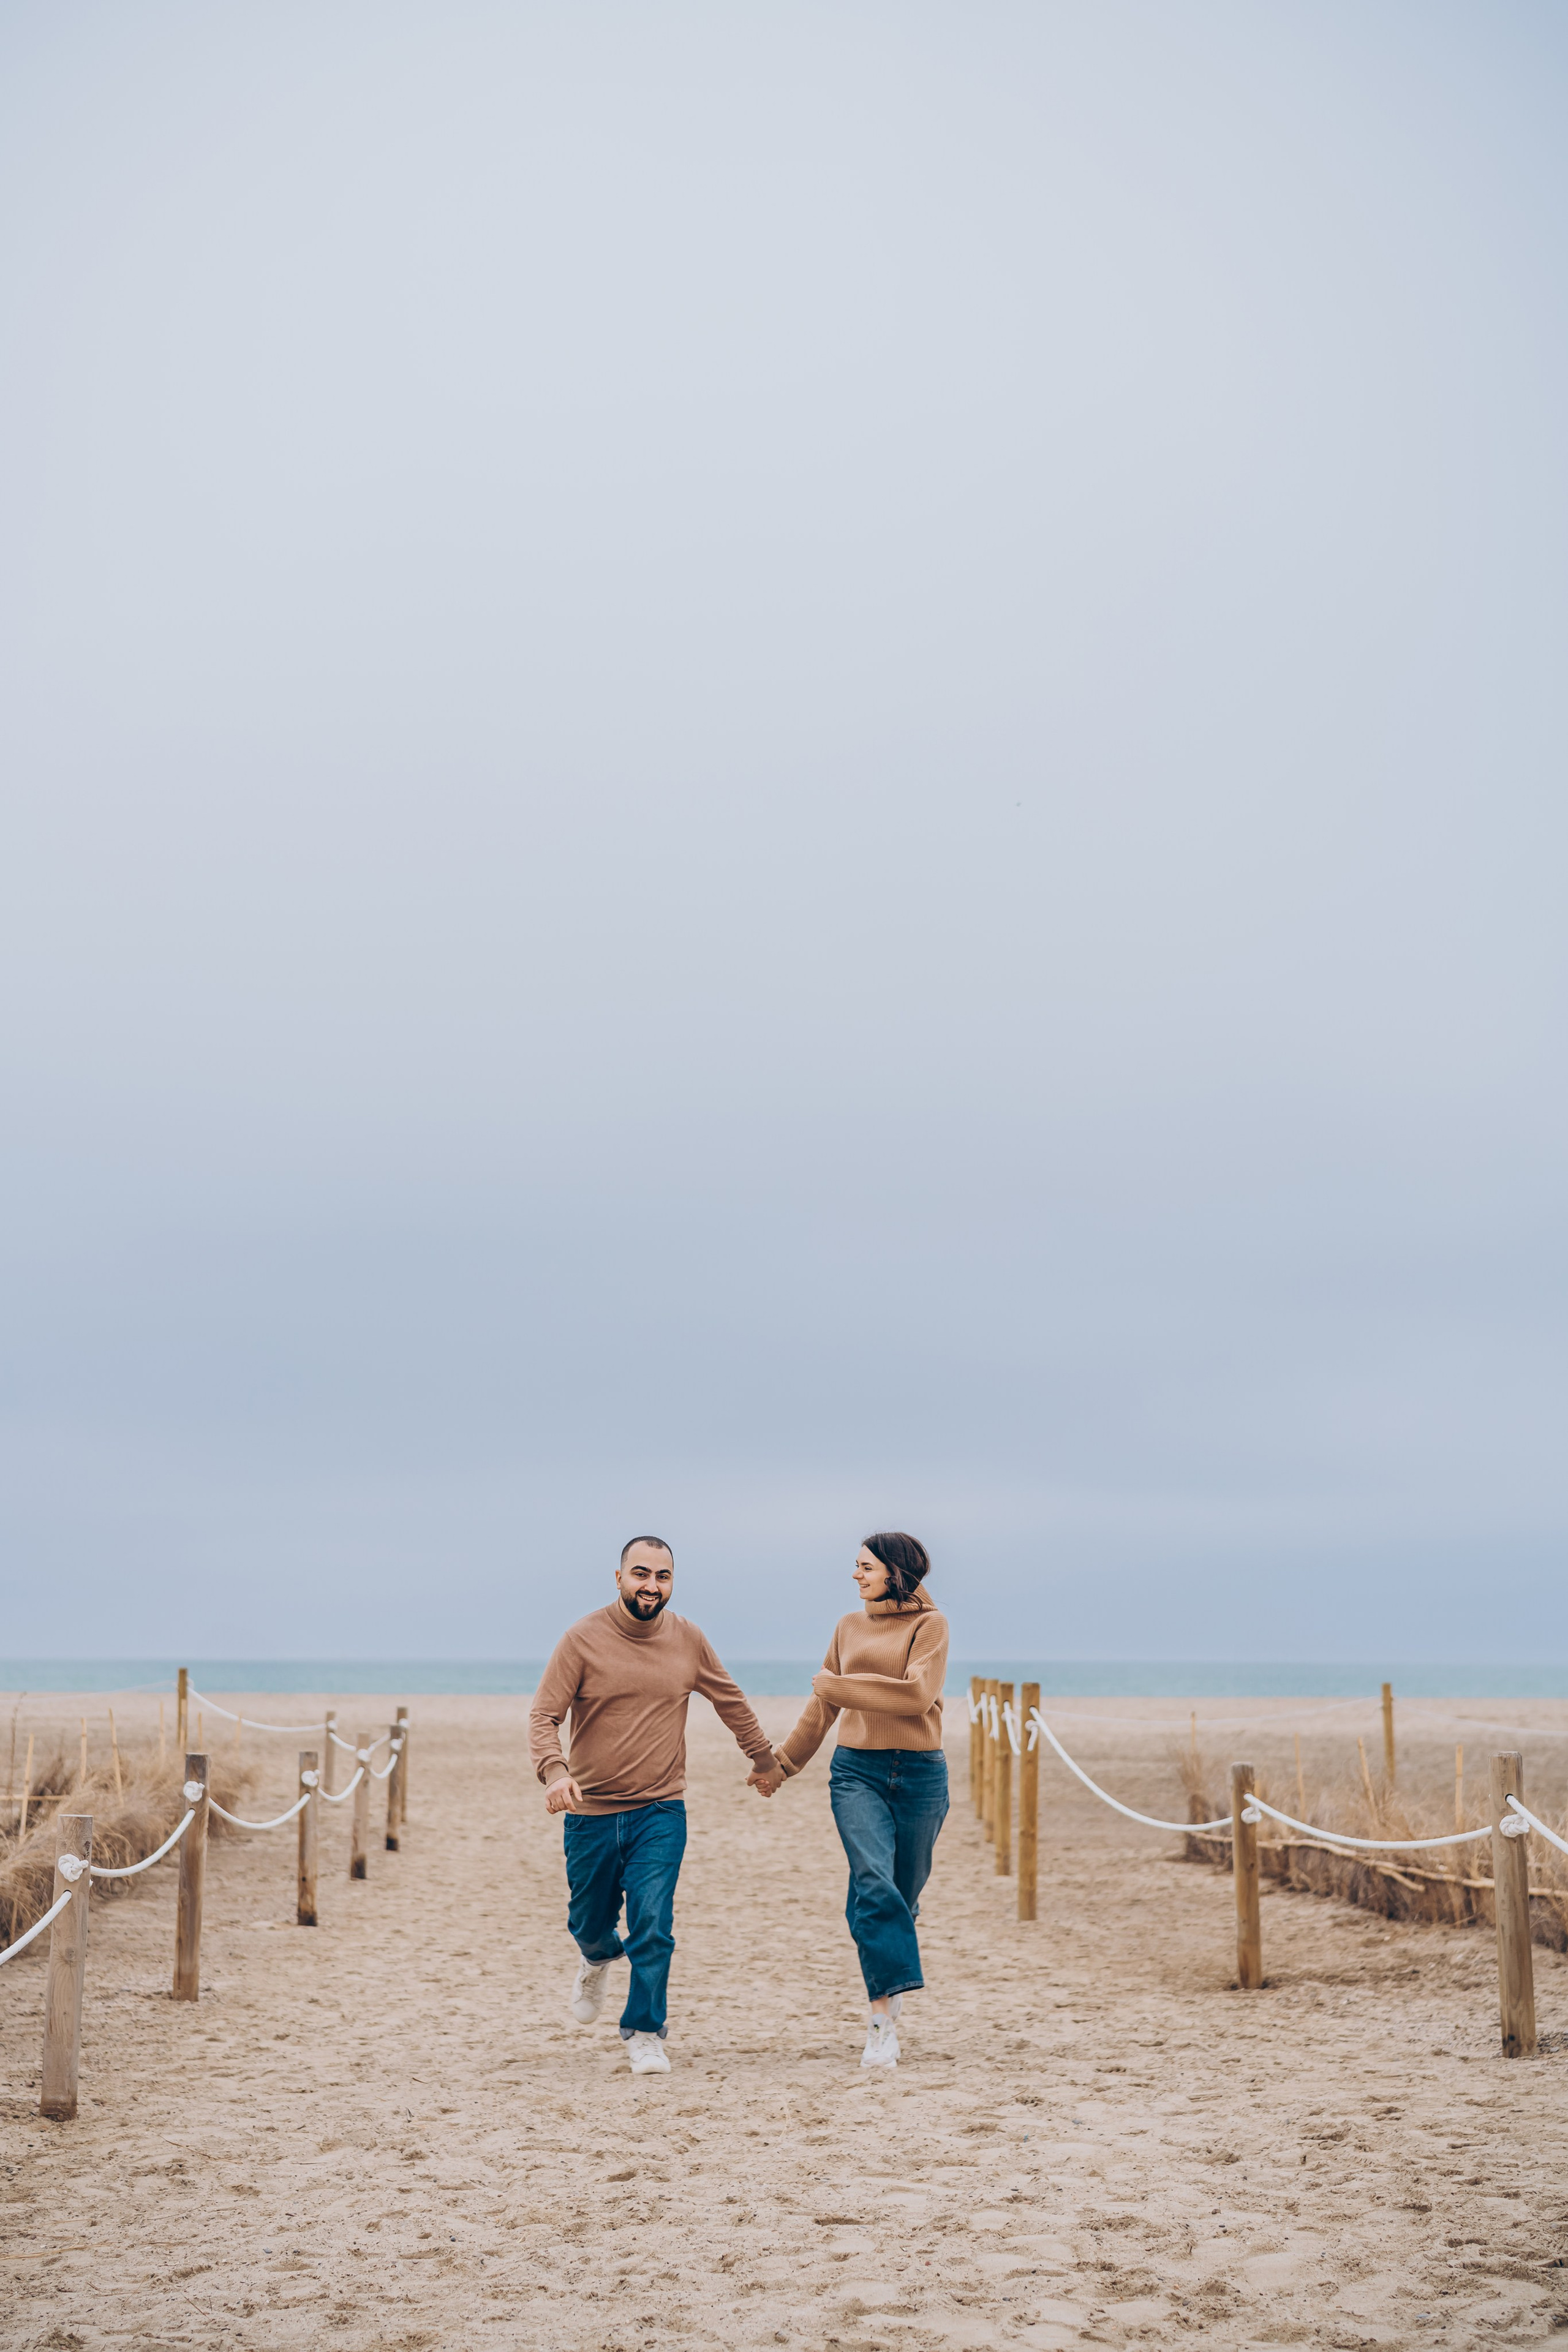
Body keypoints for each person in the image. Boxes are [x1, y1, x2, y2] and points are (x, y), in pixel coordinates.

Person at [529, 1536, 776, 2075]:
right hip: (591, 1812)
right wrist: (555, 1772)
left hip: (661, 1810)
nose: (651, 1585)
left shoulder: (688, 1639)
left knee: (653, 1922)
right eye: (641, 1574)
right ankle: (597, 1956)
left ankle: (645, 2030)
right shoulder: (582, 1639)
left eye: (663, 1576)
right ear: (618, 1577)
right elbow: (544, 1716)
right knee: (589, 1922)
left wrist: (763, 1758)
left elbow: (729, 1699)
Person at [748, 1532, 948, 2070]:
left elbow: (916, 1696)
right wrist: (782, 1764)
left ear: (896, 1571)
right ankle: (882, 2023)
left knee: (897, 1895)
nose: (856, 1576)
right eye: (856, 1566)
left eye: (865, 1567)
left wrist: (838, 1685)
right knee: (872, 1882)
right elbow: (821, 1710)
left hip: (922, 1775)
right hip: (856, 1770)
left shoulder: (930, 1626)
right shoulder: (848, 1626)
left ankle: (895, 1931)